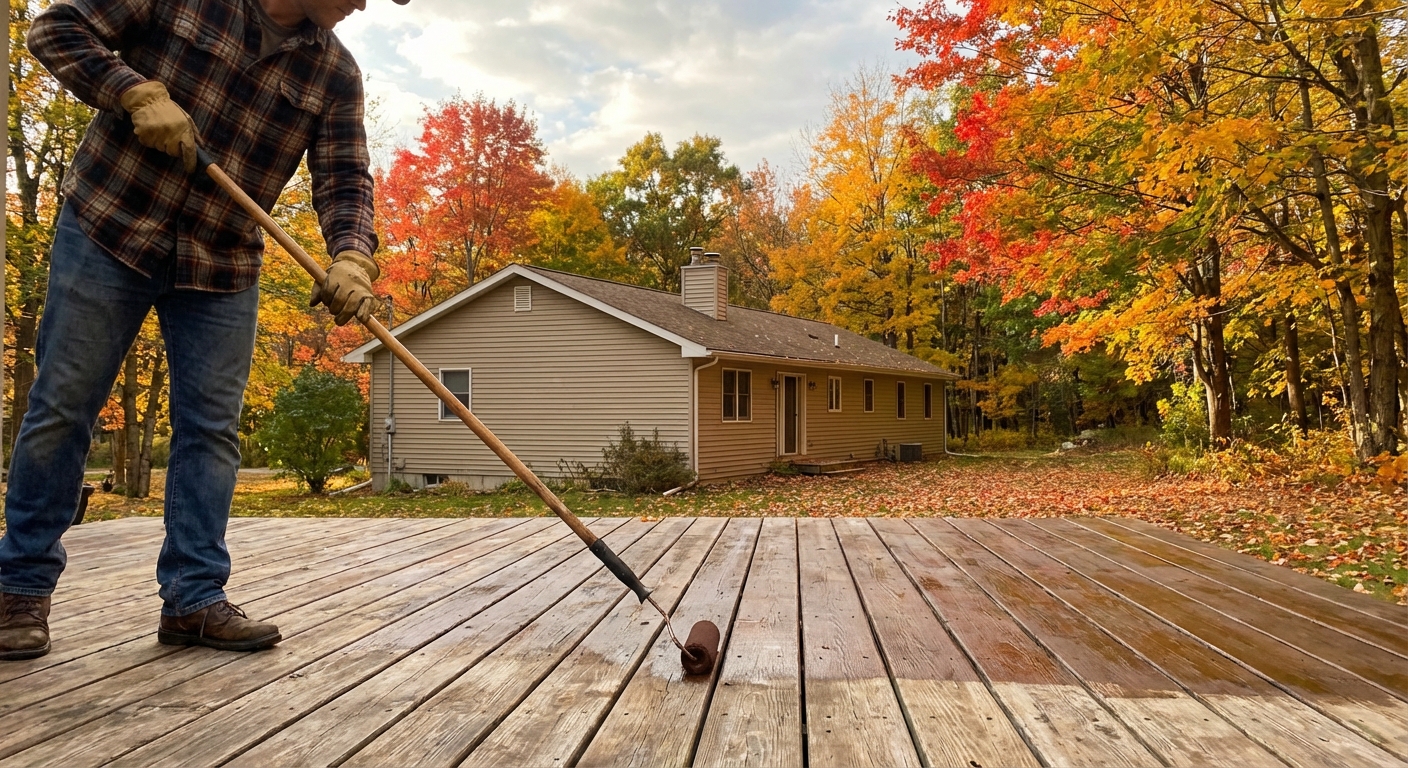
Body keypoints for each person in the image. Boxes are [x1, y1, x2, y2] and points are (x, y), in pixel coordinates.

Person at [0, 0, 406, 660]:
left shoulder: (334, 72)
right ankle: (18, 588)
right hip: (110, 228)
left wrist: (353, 257)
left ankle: (193, 598)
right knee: (63, 407)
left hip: (222, 260)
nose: (362, 3)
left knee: (211, 431)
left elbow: (345, 177)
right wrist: (133, 91)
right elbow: (55, 28)